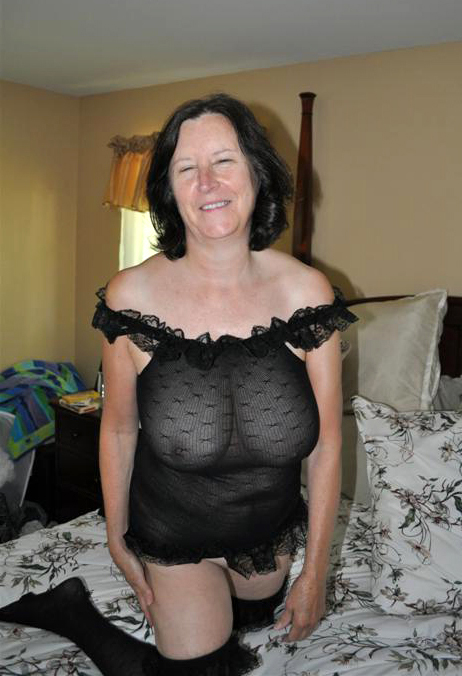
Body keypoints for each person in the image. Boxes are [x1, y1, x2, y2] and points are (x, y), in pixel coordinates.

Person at [0, 94, 356, 676]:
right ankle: (73, 612)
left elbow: (326, 445)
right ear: (168, 188)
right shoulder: (132, 298)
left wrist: (315, 571)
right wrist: (117, 537)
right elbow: (118, 429)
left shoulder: (307, 295)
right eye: (186, 167)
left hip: (267, 537)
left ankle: (79, 606)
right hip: (173, 533)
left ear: (256, 172)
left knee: (252, 624)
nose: (207, 182)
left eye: (225, 160)